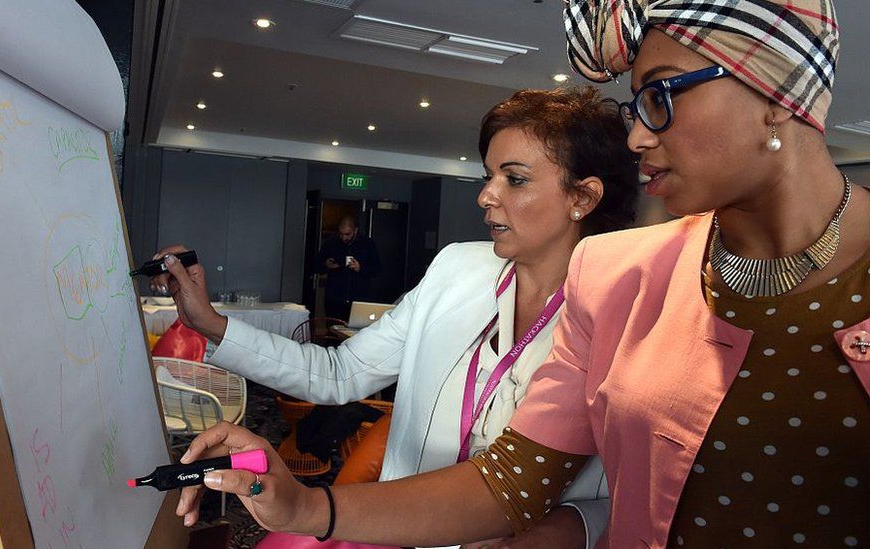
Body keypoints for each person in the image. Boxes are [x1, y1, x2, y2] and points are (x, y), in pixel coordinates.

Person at [171, 0, 870, 547]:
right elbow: (509, 479)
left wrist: (573, 529)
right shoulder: (619, 273)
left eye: (663, 95)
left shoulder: (603, 275)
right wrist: (307, 504)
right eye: (635, 105)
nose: (637, 136)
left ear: (777, 92)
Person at [154, 86, 640, 547]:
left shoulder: (630, 313)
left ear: (583, 197)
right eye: (487, 175)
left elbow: (653, 488)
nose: (486, 195)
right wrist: (209, 323)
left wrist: (576, 527)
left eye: (513, 179)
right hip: (397, 536)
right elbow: (339, 373)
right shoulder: (457, 268)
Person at [317, 216, 381, 321]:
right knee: (333, 332)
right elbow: (317, 266)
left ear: (355, 230)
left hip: (359, 299)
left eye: (347, 234)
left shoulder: (367, 244)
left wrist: (360, 268)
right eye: (341, 234)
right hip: (334, 299)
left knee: (356, 333)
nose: (344, 238)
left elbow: (377, 270)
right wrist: (326, 265)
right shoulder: (331, 243)